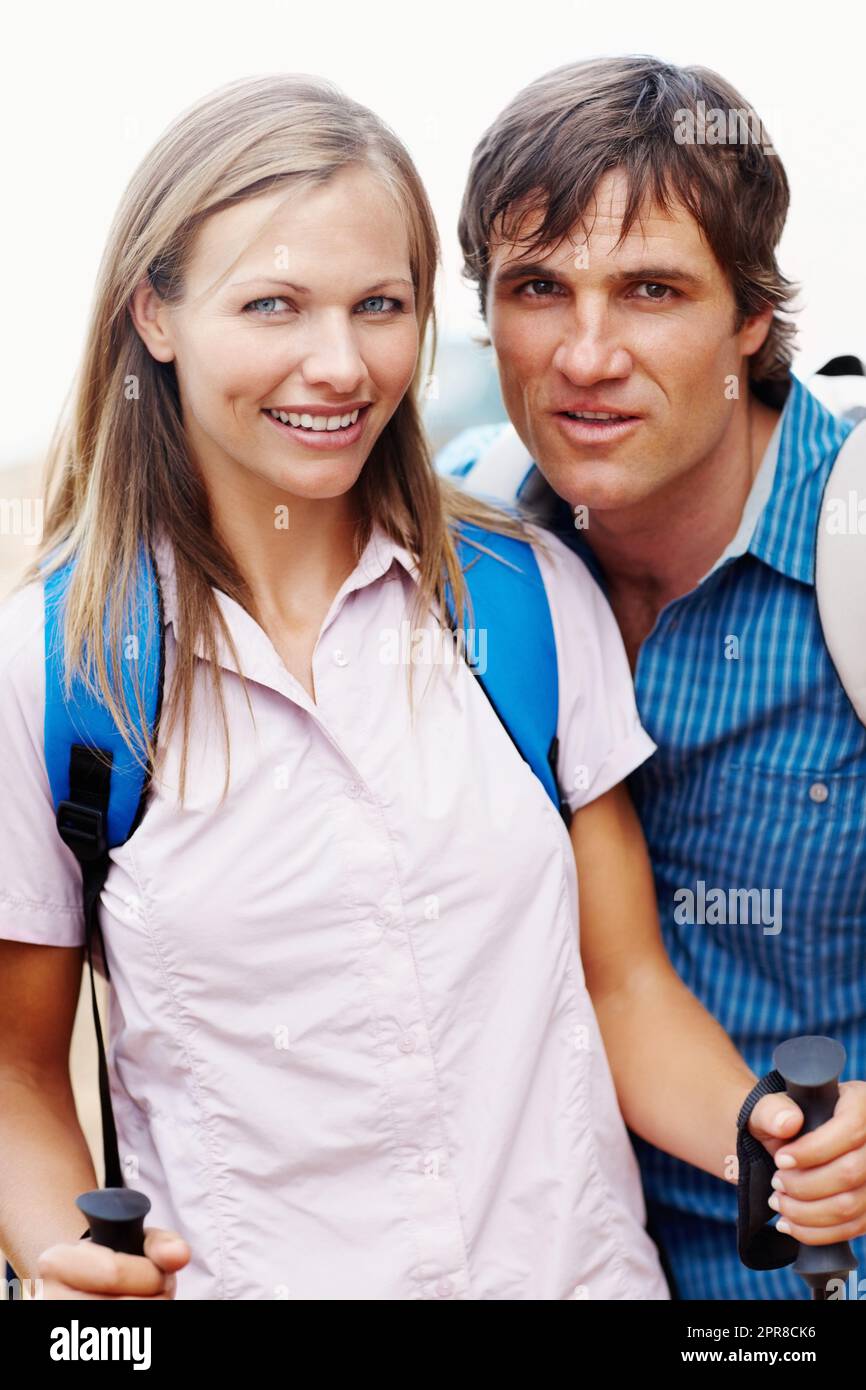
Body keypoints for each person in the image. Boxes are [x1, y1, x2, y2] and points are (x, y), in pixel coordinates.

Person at [0, 73, 860, 1305]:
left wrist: (764, 1134)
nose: (336, 363)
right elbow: (17, 1074)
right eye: (274, 305)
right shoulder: (49, 676)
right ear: (156, 313)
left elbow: (619, 981)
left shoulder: (523, 594)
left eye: (379, 306)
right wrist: (54, 1258)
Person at [439, 54, 866, 1300]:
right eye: (536, 288)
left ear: (748, 314)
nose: (584, 354)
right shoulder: (457, 559)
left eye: (648, 290)